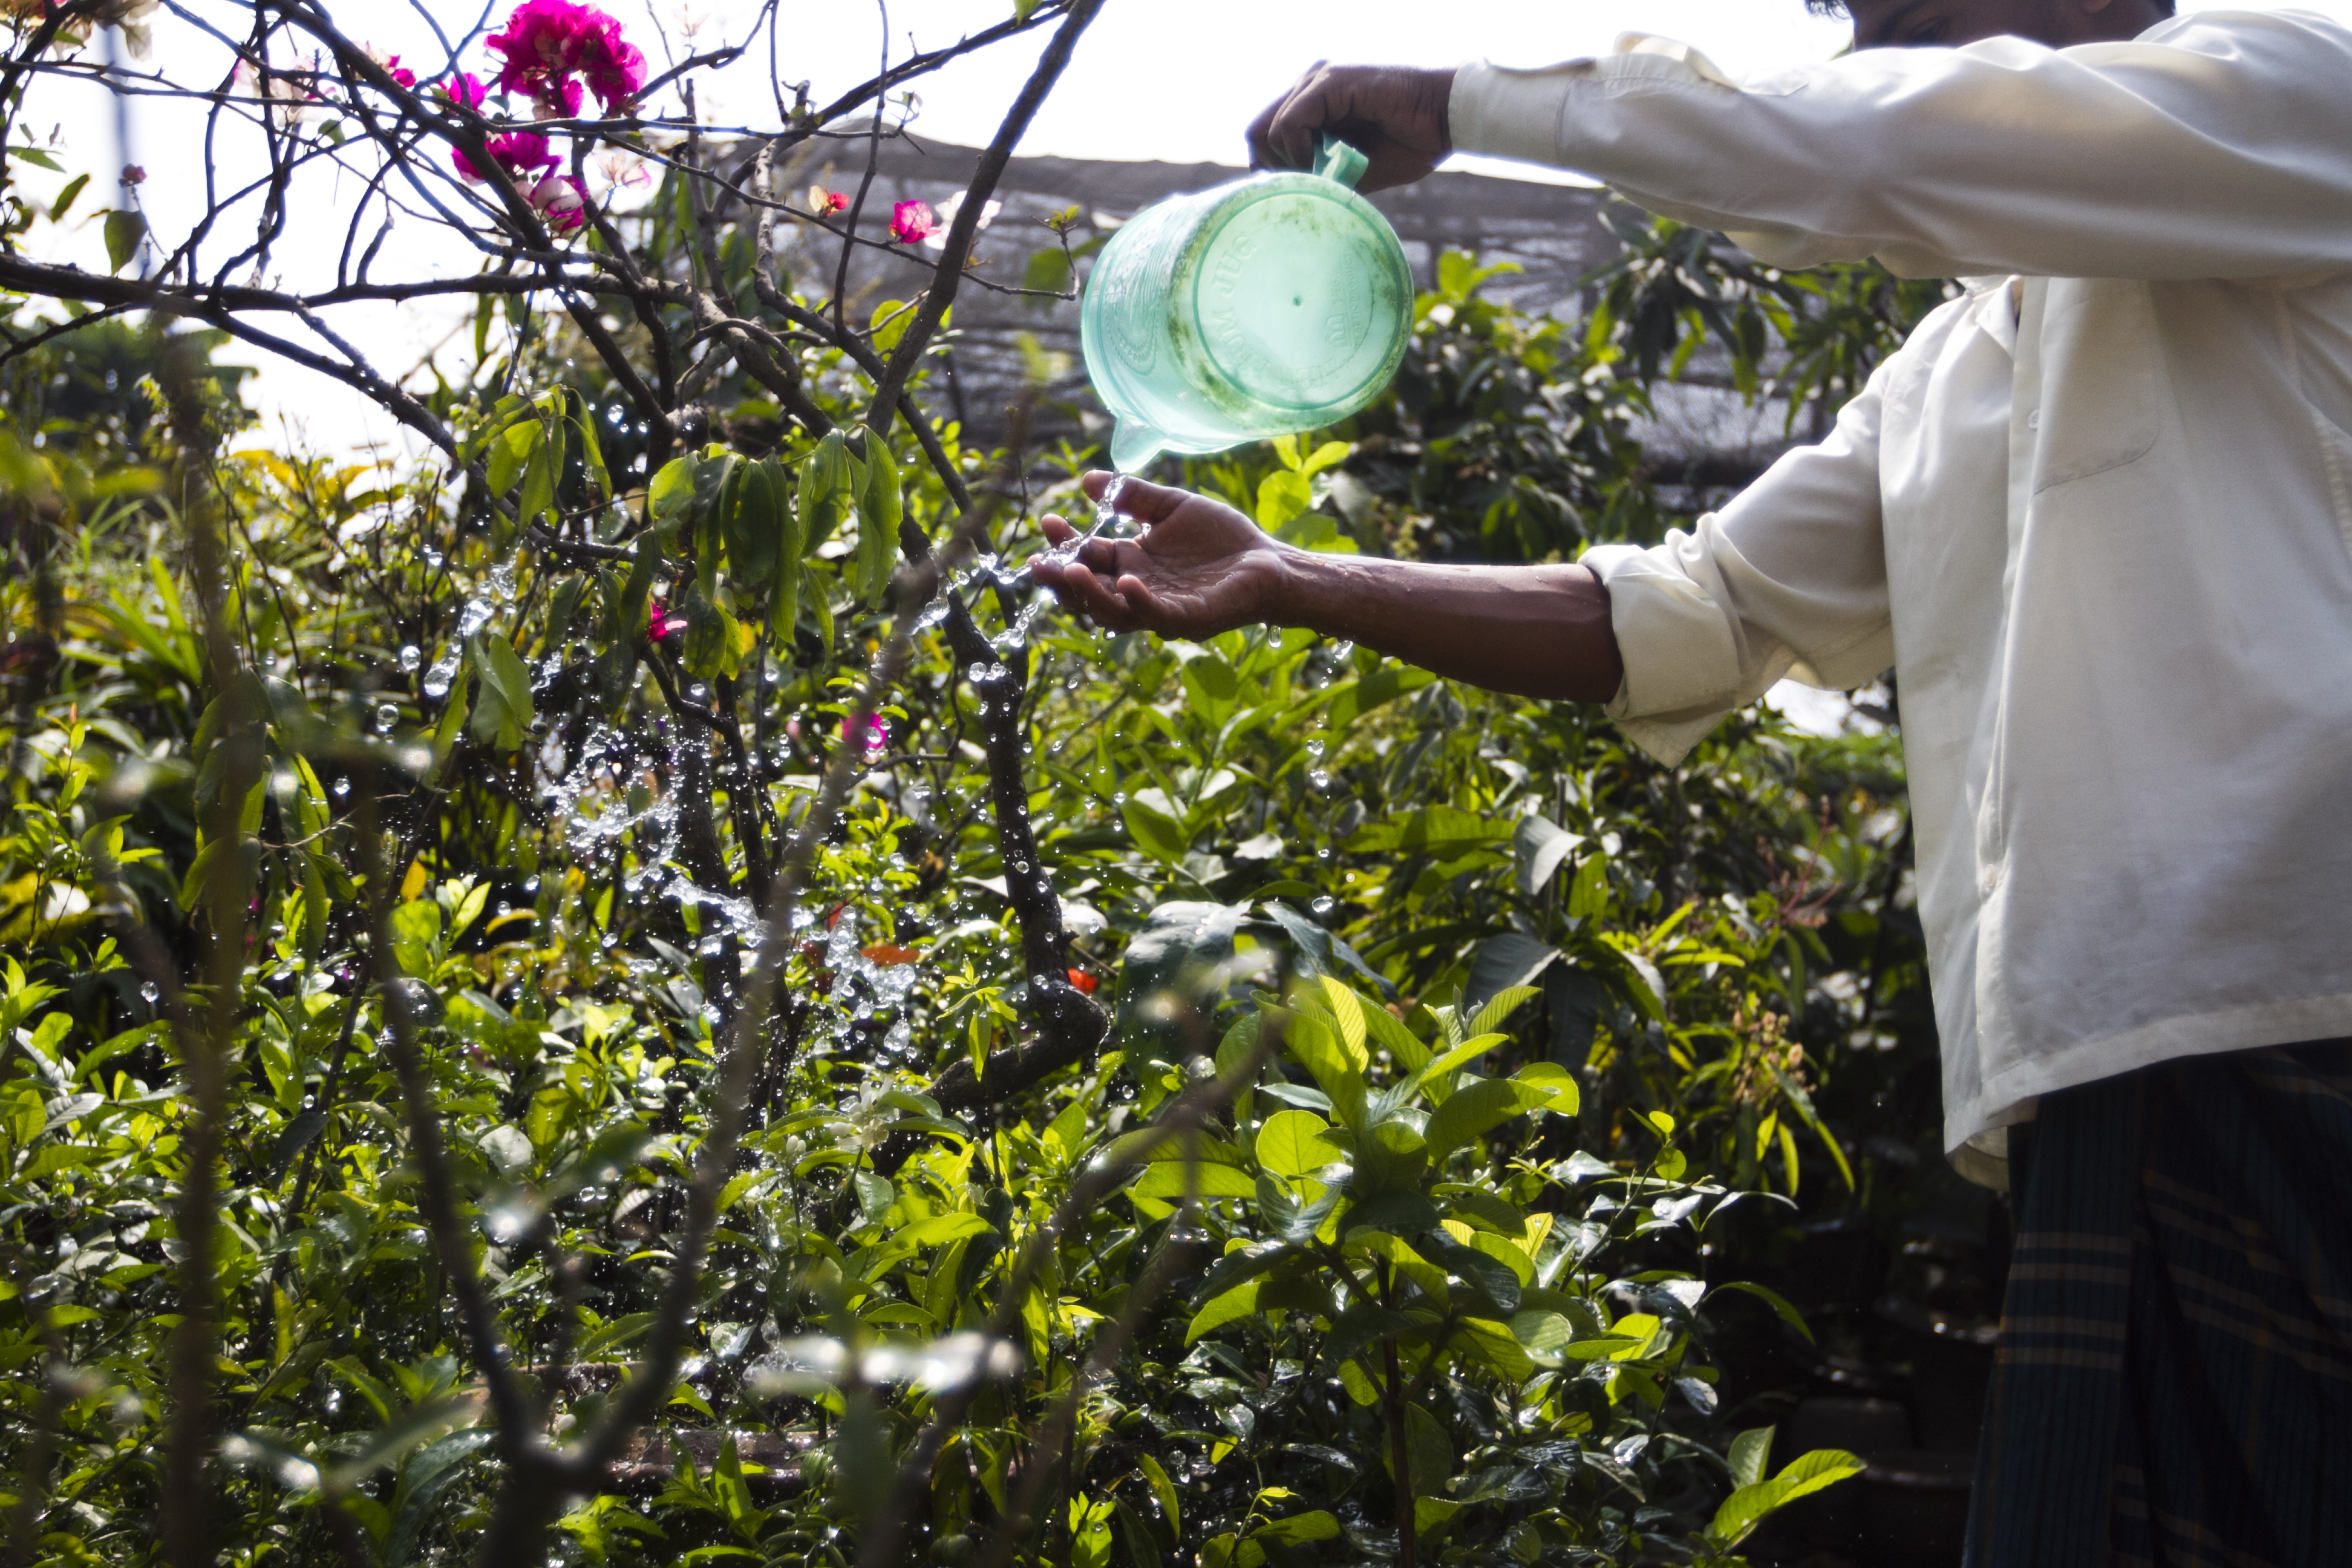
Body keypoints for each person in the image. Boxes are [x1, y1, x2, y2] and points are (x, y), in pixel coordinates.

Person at [1033, 0, 2352, 1561]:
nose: (1877, 38)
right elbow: (1690, 615)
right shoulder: (1959, 368)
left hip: (2307, 1011)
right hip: (2107, 1064)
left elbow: (1882, 150)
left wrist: (1470, 99)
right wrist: (1295, 577)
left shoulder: (2296, 98)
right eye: (1863, 20)